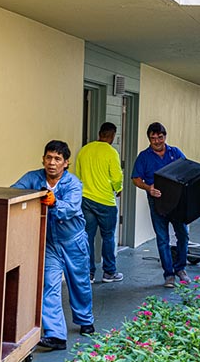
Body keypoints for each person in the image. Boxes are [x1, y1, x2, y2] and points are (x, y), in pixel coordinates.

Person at [11, 140, 94, 351]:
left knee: (80, 283)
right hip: (48, 243)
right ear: (43, 159)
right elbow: (13, 192)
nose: (52, 163)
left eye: (57, 159)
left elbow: (71, 209)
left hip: (73, 241)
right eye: (49, 157)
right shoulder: (33, 177)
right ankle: (56, 335)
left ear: (66, 163)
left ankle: (85, 319)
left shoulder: (73, 183)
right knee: (49, 284)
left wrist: (54, 202)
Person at [132, 122, 190, 288]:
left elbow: (187, 170)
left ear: (165, 136)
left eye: (160, 137)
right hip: (157, 202)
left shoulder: (175, 152)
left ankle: (180, 268)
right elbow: (135, 178)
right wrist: (148, 188)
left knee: (183, 235)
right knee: (163, 238)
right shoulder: (144, 156)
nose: (157, 141)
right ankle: (169, 274)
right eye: (153, 138)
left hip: (177, 202)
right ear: (149, 139)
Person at [76, 122, 124, 284]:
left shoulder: (84, 150)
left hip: (86, 200)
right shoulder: (111, 152)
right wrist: (118, 188)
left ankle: (88, 273)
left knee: (87, 237)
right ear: (112, 136)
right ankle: (109, 272)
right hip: (106, 202)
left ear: (99, 133)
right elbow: (117, 177)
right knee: (108, 237)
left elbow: (78, 175)